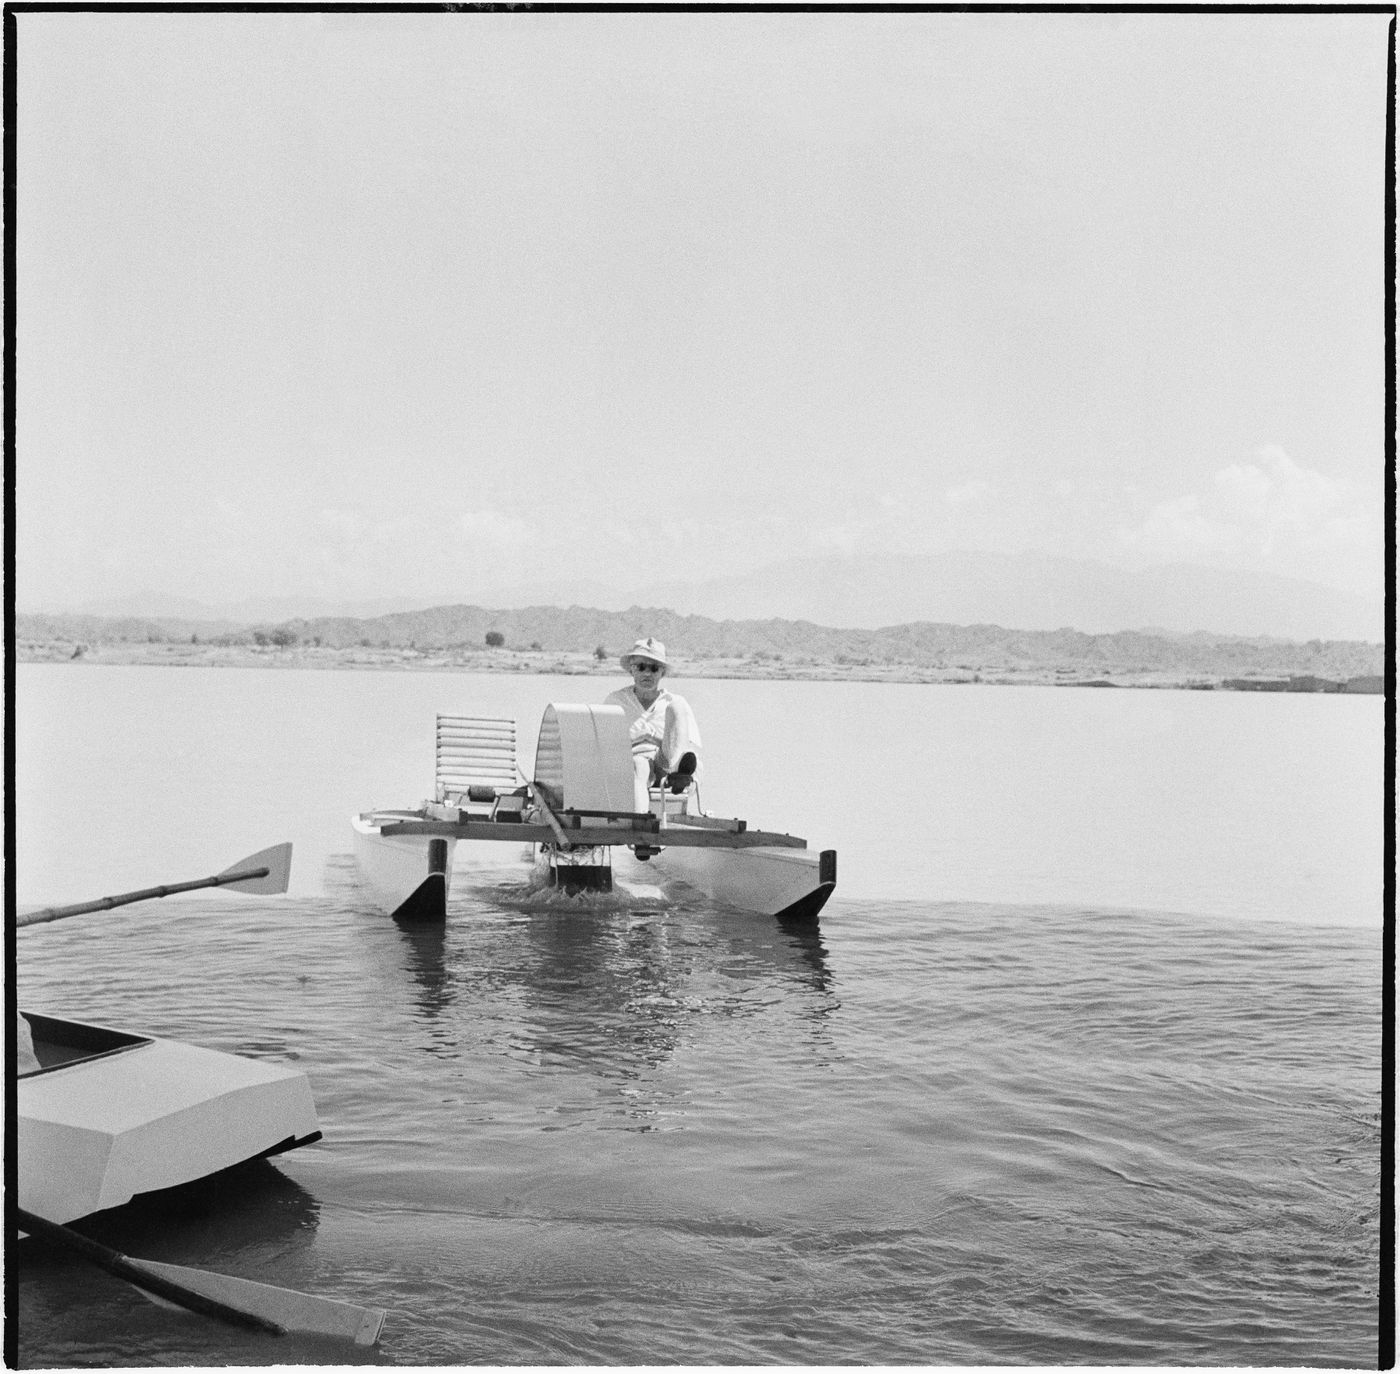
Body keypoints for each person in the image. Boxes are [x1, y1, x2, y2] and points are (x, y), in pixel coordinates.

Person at [604, 637, 702, 811]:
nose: (647, 673)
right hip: (630, 763)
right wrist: (637, 736)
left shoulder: (672, 701)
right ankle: (640, 820)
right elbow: (604, 746)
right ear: (632, 670)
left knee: (677, 707)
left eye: (654, 668)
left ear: (661, 672)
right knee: (639, 765)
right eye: (641, 667)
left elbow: (690, 746)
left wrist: (655, 737)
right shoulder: (616, 701)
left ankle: (679, 771)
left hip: (664, 760)